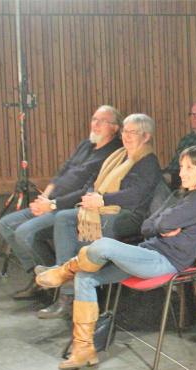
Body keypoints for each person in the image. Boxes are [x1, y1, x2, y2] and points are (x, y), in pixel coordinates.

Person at [35, 145, 196, 370]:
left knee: (103, 245)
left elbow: (160, 222)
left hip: (166, 262)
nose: (182, 173)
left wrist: (163, 223)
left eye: (190, 167)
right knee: (85, 277)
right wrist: (164, 225)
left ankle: (62, 272)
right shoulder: (179, 194)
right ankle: (84, 349)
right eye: (181, 167)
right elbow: (148, 225)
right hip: (148, 253)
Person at [34, 113, 162, 319]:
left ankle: (65, 288)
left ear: (146, 137)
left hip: (130, 216)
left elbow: (135, 194)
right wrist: (92, 197)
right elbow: (96, 184)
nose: (126, 136)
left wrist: (102, 200)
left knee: (79, 235)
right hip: (106, 209)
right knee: (64, 217)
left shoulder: (148, 160)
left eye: (133, 133)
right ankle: (65, 276)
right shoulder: (118, 156)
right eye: (125, 131)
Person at [0, 105, 123, 300]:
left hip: (69, 207)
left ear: (115, 128)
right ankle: (41, 278)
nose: (95, 124)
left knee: (23, 232)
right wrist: (44, 199)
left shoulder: (114, 152)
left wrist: (53, 204)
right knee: (6, 224)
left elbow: (89, 190)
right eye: (94, 119)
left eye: (102, 121)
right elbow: (62, 172)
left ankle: (55, 279)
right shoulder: (86, 144)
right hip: (51, 203)